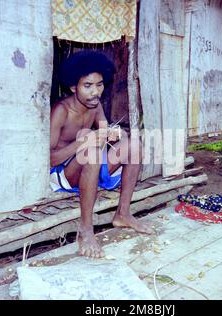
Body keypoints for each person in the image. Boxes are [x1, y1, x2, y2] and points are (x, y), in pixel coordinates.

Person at [50, 50, 153, 259]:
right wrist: (84, 141)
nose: (95, 92)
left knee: (134, 145)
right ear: (73, 87)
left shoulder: (95, 107)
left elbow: (108, 134)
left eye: (99, 85)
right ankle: (86, 230)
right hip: (65, 174)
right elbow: (49, 159)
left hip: (91, 167)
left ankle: (123, 213)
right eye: (87, 86)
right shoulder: (61, 111)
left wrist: (117, 133)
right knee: (93, 151)